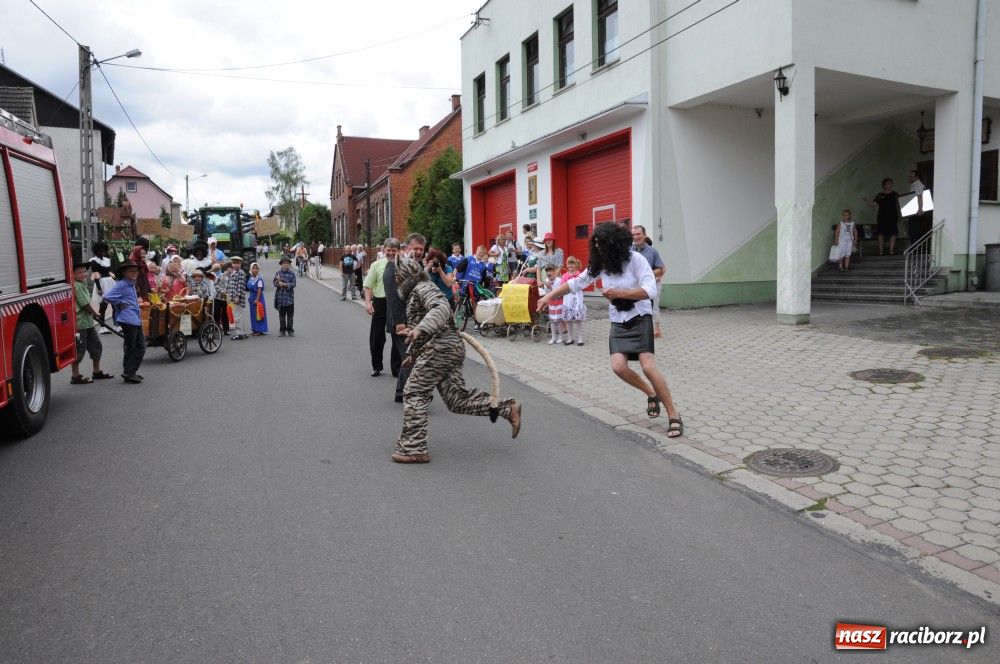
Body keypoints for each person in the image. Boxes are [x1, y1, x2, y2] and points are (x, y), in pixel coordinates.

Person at [538, 222, 683, 437]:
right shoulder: (601, 263)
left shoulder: (637, 260)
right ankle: (651, 393)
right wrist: (548, 296)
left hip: (640, 317)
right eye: (595, 244)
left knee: (648, 367)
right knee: (618, 367)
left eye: (601, 243)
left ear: (614, 243)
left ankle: (674, 414)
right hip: (618, 319)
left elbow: (650, 290)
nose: (597, 248)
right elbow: (575, 283)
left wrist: (619, 294)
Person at [389, 258, 522, 463]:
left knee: (414, 391)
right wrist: (412, 352)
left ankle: (413, 448)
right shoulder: (418, 290)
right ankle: (507, 408)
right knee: (456, 400)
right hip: (448, 348)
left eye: (398, 275)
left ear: (406, 275)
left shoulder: (422, 287)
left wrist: (420, 328)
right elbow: (429, 327)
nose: (396, 279)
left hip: (441, 349)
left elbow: (441, 309)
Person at [386, 234, 426, 403]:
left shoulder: (417, 266)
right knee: (413, 359)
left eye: (421, 249)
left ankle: (401, 393)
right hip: (401, 322)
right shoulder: (394, 268)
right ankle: (415, 396)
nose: (418, 252)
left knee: (409, 358)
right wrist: (400, 323)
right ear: (406, 248)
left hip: (414, 322)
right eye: (415, 248)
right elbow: (393, 298)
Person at [102, 260, 145, 384]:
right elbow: (106, 296)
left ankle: (129, 371)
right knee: (140, 346)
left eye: (136, 270)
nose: (135, 273)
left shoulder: (130, 284)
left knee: (131, 347)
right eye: (131, 271)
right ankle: (129, 372)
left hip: (134, 318)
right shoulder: (122, 284)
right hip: (128, 319)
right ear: (124, 273)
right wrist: (119, 303)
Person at [363, 238, 401, 377]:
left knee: (397, 336)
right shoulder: (376, 265)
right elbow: (368, 286)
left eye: (394, 250)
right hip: (380, 303)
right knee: (377, 337)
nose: (391, 253)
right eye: (388, 250)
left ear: (399, 251)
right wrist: (368, 303)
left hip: (396, 304)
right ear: (384, 250)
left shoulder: (403, 265)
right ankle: (376, 366)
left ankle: (396, 369)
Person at [70, 262, 112, 384]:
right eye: (79, 272)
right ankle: (75, 375)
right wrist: (95, 313)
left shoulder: (82, 283)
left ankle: (96, 371)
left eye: (84, 272)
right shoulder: (77, 286)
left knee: (96, 346)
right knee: (79, 349)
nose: (83, 274)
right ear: (72, 274)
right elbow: (85, 304)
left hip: (88, 323)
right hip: (80, 323)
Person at [631, 226, 665, 338]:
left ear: (644, 235)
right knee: (636, 307)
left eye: (638, 234)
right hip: (635, 286)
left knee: (653, 306)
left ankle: (656, 329)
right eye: (634, 235)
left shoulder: (652, 251)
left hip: (652, 284)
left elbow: (661, 269)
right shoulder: (628, 251)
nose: (636, 237)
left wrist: (646, 275)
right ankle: (638, 329)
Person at [863, 178, 901, 256]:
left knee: (893, 233)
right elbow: (874, 204)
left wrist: (900, 216)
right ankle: (881, 251)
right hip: (882, 217)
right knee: (881, 233)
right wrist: (867, 201)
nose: (890, 185)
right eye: (888, 183)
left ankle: (891, 251)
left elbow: (900, 204)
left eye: (891, 183)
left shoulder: (895, 194)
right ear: (884, 185)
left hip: (893, 217)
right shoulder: (880, 195)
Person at [559, 255, 586, 345]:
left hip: (577, 298)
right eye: (569, 264)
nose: (570, 266)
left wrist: (576, 278)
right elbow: (562, 287)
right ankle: (570, 338)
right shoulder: (564, 276)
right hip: (567, 298)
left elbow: (581, 284)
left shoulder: (579, 275)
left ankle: (580, 338)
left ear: (576, 265)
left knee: (578, 319)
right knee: (568, 319)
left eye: (572, 263)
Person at [89, 241, 115, 334]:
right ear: (96, 251)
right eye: (100, 250)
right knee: (103, 306)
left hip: (110, 282)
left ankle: (116, 325)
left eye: (104, 249)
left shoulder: (107, 260)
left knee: (114, 304)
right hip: (101, 283)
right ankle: (102, 327)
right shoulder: (93, 261)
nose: (102, 252)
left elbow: (109, 272)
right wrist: (99, 288)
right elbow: (95, 275)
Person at [273, 256, 297, 336]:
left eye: (287, 263)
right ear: (281, 264)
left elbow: (293, 284)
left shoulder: (292, 274)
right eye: (284, 263)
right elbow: (274, 283)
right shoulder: (278, 273)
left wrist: (284, 284)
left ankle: (290, 330)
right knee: (282, 316)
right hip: (281, 298)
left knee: (290, 316)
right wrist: (278, 282)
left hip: (289, 299)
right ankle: (282, 330)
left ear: (289, 264)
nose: (286, 265)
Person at [227, 256, 249, 340]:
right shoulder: (234, 272)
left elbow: (240, 285)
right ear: (231, 264)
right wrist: (230, 296)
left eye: (238, 263)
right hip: (233, 297)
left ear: (241, 264)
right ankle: (242, 332)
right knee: (238, 315)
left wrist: (237, 296)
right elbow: (231, 285)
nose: (236, 265)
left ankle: (239, 333)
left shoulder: (241, 273)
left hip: (238, 298)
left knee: (237, 316)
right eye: (234, 263)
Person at [542, 265, 565, 344]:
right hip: (551, 303)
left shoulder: (559, 280)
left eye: (551, 271)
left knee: (558, 320)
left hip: (558, 302)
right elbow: (547, 293)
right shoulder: (546, 280)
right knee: (552, 321)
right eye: (547, 271)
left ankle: (561, 337)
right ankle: (553, 337)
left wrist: (550, 287)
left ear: (555, 272)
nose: (549, 273)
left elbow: (558, 292)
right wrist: (547, 287)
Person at [245, 262, 268, 336]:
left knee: (259, 313)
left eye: (256, 268)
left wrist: (257, 299)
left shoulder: (259, 279)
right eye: (253, 268)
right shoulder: (251, 278)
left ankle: (259, 330)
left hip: (258, 298)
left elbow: (259, 289)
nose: (255, 270)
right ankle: (255, 329)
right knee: (253, 314)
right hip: (252, 297)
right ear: (251, 270)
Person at [212, 262, 230, 335]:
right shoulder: (221, 275)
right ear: (227, 268)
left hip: (226, 298)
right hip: (218, 297)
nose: (232, 269)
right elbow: (216, 285)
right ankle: (216, 329)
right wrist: (222, 291)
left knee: (225, 314)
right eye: (231, 268)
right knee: (217, 313)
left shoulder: (232, 277)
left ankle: (226, 329)